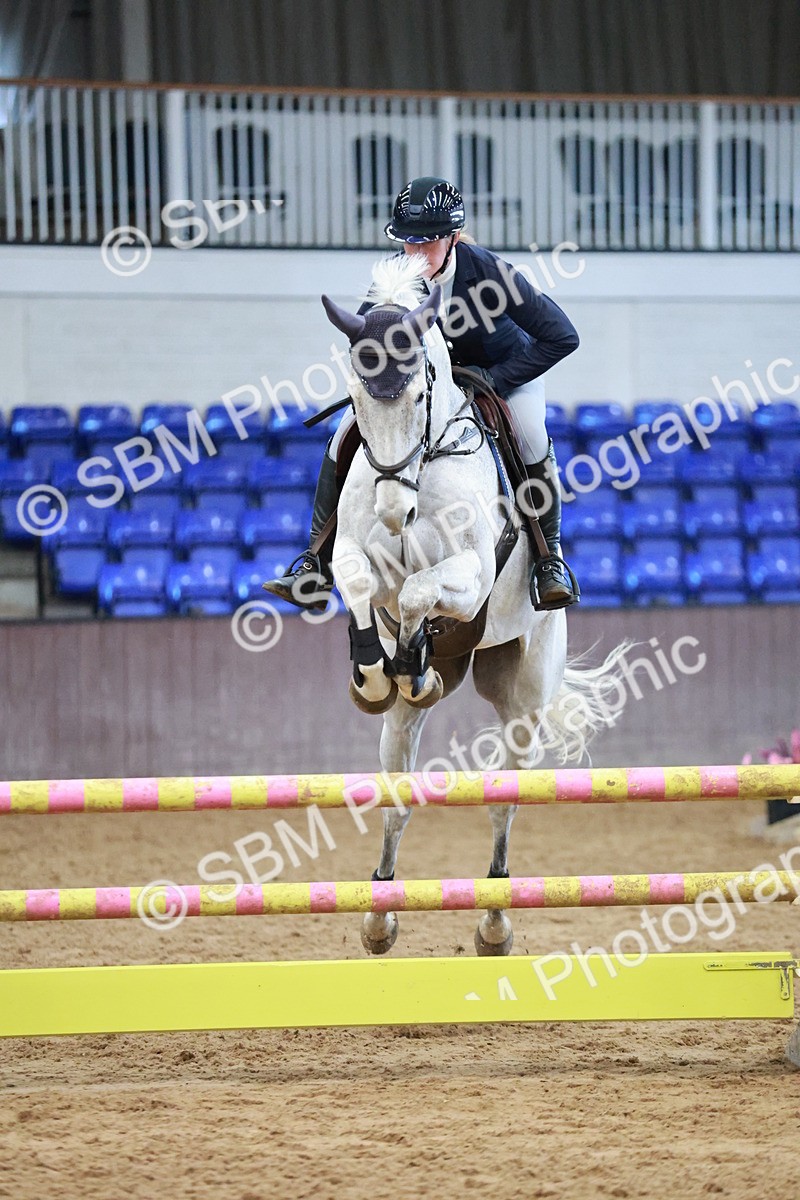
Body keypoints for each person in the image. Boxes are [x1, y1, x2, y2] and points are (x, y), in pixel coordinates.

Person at [264, 175, 580, 612]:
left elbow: (562, 336)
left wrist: (496, 379)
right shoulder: (395, 277)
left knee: (530, 435)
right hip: (429, 385)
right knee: (342, 435)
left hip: (503, 374)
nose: (415, 254)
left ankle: (549, 559)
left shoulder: (489, 272)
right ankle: (314, 562)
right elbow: (368, 341)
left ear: (453, 238)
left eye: (427, 243)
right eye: (407, 242)